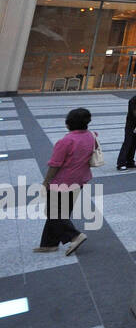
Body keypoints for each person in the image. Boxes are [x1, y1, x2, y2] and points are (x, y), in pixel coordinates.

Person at [34, 108, 95, 256]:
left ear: (68, 124)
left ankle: (75, 235)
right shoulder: (90, 136)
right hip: (80, 179)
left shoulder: (66, 141)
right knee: (61, 212)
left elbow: (55, 164)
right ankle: (49, 244)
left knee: (52, 211)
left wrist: (46, 182)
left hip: (62, 181)